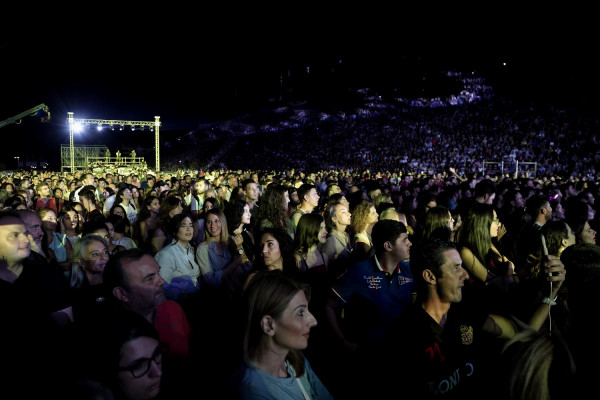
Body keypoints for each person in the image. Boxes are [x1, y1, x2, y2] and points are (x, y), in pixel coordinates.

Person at [381, 238, 566, 400]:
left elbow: (522, 333)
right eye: (455, 268)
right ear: (429, 276)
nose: (466, 274)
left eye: (462, 265)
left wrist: (552, 291)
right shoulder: (402, 336)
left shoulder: (465, 313)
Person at [323, 219, 415, 398]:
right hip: (369, 357)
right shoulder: (359, 272)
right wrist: (343, 341)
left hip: (401, 355)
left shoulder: (408, 270)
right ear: (388, 246)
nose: (410, 243)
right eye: (405, 240)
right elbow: (328, 306)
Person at [228, 270, 334, 400]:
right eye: (300, 313)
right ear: (268, 325)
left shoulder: (294, 359)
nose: (313, 321)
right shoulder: (252, 393)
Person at [0, 209, 73, 396]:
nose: (26, 240)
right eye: (14, 235)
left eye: (25, 233)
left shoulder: (45, 274)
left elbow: (65, 322)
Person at [101, 248, 192, 397]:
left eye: (158, 273)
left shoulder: (173, 310)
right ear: (121, 293)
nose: (162, 281)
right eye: (150, 278)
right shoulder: (109, 335)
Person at [455, 201, 518, 315]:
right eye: (495, 220)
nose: (499, 224)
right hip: (484, 309)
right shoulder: (466, 252)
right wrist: (509, 267)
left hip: (501, 302)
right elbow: (492, 281)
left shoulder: (490, 244)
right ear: (483, 223)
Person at [196, 207, 251, 290]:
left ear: (223, 222)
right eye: (208, 222)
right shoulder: (202, 249)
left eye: (216, 221)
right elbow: (210, 279)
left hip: (240, 288)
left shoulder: (231, 240)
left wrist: (239, 248)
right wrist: (233, 265)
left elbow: (247, 266)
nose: (212, 226)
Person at [154, 213, 201, 303]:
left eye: (190, 226)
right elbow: (160, 288)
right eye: (183, 226)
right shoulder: (167, 254)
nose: (188, 229)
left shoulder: (191, 250)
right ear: (175, 231)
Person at [69, 234, 111, 322]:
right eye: (95, 254)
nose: (104, 258)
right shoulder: (74, 294)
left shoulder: (116, 284)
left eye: (105, 252)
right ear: (81, 262)